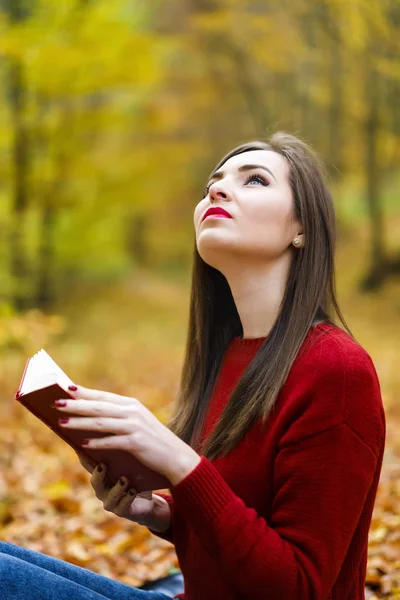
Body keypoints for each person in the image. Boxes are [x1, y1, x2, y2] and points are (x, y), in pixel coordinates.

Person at [0, 131, 386, 600]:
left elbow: (298, 587)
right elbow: (243, 531)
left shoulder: (336, 370)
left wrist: (181, 464)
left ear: (302, 229)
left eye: (256, 181)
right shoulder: (228, 356)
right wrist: (163, 515)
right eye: (213, 183)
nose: (217, 191)